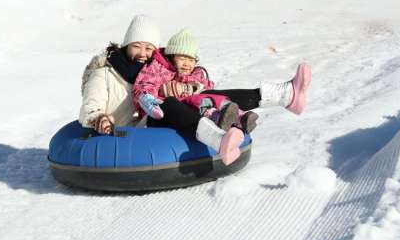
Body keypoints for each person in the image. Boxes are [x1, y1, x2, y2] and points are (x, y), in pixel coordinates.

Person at [133, 28, 312, 164]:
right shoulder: (157, 67)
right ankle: (219, 141)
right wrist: (157, 95)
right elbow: (142, 87)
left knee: (212, 95)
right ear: (172, 55)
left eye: (191, 59)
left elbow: (207, 87)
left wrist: (194, 87)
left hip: (188, 112)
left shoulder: (195, 73)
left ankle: (285, 95)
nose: (187, 63)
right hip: (157, 117)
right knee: (172, 103)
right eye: (182, 58)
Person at [78, 14, 160, 135]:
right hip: (109, 138)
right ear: (126, 46)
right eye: (136, 46)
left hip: (144, 142)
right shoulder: (104, 74)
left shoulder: (158, 77)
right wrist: (100, 119)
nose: (142, 54)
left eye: (148, 48)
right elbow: (91, 107)